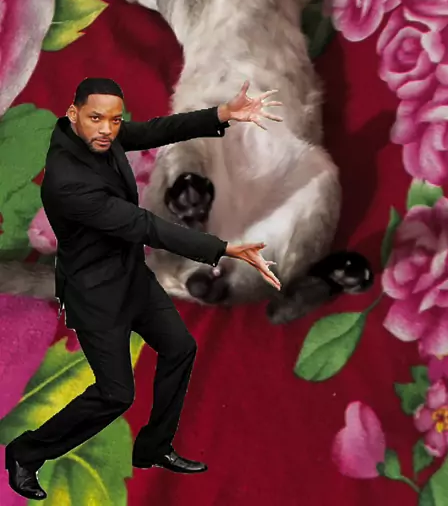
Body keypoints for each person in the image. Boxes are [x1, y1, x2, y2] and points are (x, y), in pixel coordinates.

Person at [5, 77, 282, 501]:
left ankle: (154, 447)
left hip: (132, 276)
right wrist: (224, 249)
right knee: (116, 394)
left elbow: (156, 130)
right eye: (97, 118)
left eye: (115, 120)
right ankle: (26, 453)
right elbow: (143, 225)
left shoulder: (100, 136)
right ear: (73, 114)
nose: (108, 129)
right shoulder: (68, 181)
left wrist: (222, 114)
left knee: (180, 348)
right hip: (95, 295)